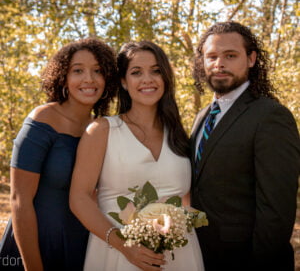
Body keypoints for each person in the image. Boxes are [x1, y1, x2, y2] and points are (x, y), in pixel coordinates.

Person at [70, 41, 205, 271]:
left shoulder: (178, 134)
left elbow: (186, 199)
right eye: (136, 72)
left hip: (180, 255)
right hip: (117, 254)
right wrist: (125, 247)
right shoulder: (103, 130)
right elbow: (79, 199)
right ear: (123, 81)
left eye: (156, 71)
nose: (147, 79)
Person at [190, 21, 300, 271]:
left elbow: (277, 211)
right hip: (202, 256)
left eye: (230, 55)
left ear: (251, 59)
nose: (219, 63)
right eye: (212, 56)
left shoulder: (271, 116)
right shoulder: (202, 116)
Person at [0, 38, 117, 270]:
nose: (89, 79)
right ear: (63, 77)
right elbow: (19, 200)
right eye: (78, 71)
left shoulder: (101, 128)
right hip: (34, 247)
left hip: (80, 247)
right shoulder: (42, 119)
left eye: (98, 71)